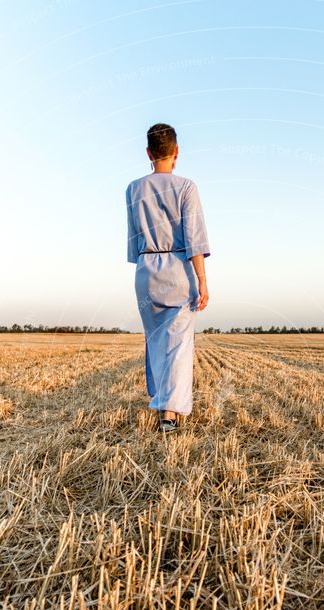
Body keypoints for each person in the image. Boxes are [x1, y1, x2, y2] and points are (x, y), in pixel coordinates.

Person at [126, 123, 210, 433]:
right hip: (178, 270)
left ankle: (163, 406)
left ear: (148, 153)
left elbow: (133, 241)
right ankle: (169, 416)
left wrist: (144, 265)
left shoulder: (133, 189)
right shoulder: (187, 187)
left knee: (156, 343)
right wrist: (202, 280)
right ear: (176, 153)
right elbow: (195, 238)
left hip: (146, 272)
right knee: (179, 346)